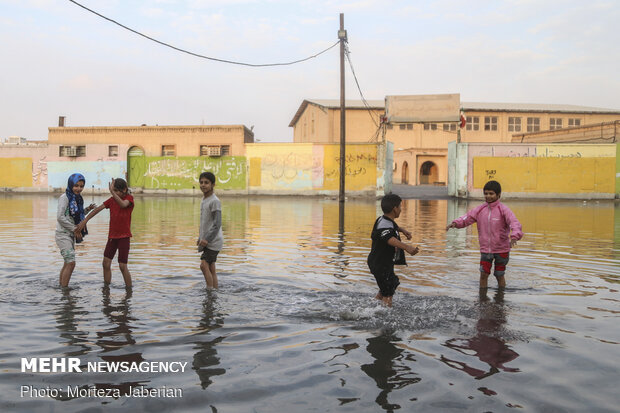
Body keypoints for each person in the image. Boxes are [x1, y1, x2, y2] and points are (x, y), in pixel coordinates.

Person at [446, 180, 523, 289]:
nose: (488, 196)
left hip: (502, 250)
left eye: (491, 193)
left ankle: (500, 299)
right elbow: (467, 218)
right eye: (486, 193)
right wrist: (455, 223)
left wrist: (515, 236)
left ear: (498, 194)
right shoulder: (480, 209)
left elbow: (514, 223)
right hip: (486, 250)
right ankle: (482, 300)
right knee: (483, 275)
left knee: (499, 275)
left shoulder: (503, 210)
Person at [76, 178, 134, 288]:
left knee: (122, 266)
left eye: (117, 191)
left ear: (124, 189)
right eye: (114, 191)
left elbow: (122, 205)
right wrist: (85, 220)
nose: (115, 193)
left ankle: (129, 291)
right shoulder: (111, 200)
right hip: (112, 237)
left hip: (124, 237)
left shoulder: (129, 199)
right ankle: (106, 288)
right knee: (105, 263)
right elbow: (97, 209)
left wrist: (112, 192)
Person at [367, 194, 419, 307]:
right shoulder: (384, 225)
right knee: (389, 290)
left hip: (384, 263)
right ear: (395, 209)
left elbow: (393, 227)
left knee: (392, 283)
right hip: (379, 264)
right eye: (400, 207)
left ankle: (373, 304)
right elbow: (389, 239)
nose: (401, 209)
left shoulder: (385, 219)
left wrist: (402, 230)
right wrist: (407, 247)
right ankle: (386, 315)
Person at [56, 173, 95, 287]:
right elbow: (60, 217)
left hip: (71, 235)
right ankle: (65, 291)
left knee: (67, 263)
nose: (79, 189)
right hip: (63, 234)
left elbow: (76, 214)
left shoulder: (77, 198)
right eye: (76, 185)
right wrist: (75, 229)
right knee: (71, 263)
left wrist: (87, 209)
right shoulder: (65, 198)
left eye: (81, 186)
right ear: (71, 184)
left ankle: (61, 287)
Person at [197, 172, 224, 289]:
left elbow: (217, 224)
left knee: (203, 265)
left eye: (206, 183)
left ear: (213, 185)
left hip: (213, 240)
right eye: (201, 182)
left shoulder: (214, 201)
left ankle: (209, 292)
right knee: (211, 267)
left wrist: (206, 239)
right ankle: (214, 291)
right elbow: (204, 222)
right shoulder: (204, 199)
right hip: (207, 239)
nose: (203, 185)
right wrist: (200, 238)